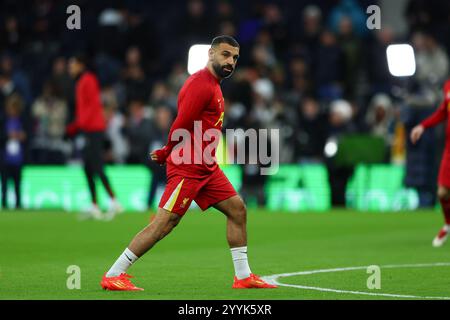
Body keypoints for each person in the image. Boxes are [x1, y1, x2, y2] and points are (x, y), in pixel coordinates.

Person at [101, 36, 277, 291]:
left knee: (238, 209)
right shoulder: (200, 84)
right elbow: (181, 122)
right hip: (188, 167)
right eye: (226, 55)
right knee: (164, 223)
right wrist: (167, 150)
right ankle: (114, 273)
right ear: (211, 54)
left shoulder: (213, 85)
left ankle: (243, 276)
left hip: (206, 166)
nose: (231, 62)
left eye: (235, 58)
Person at [66, 54, 123, 220]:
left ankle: (114, 202)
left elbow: (91, 107)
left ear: (80, 65)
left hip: (93, 129)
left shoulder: (87, 80)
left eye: (72, 65)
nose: (70, 69)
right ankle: (94, 205)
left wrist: (75, 126)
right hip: (88, 128)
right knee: (88, 167)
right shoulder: (82, 81)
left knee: (97, 166)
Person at [410, 79, 450, 247]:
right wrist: (423, 126)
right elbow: (443, 112)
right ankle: (448, 224)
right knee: (442, 192)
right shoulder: (448, 85)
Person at [1, 93, 26, 209]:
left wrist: (22, 136)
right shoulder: (3, 121)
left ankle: (18, 204)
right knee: (5, 184)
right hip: (5, 158)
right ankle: (4, 204)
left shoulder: (23, 121)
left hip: (18, 158)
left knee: (17, 184)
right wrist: (8, 136)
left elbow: (28, 136)